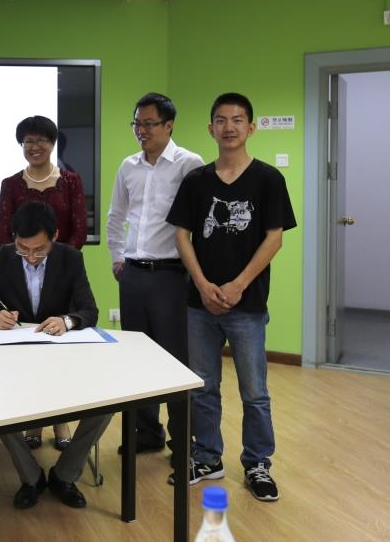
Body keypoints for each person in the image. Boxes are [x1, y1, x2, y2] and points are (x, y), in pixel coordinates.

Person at [166, 92, 296, 502]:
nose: (229, 127)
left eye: (238, 120)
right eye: (221, 120)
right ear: (211, 128)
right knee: (203, 387)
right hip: (199, 305)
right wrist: (203, 284)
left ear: (250, 128)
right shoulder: (196, 181)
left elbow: (274, 238)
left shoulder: (268, 179)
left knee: (254, 392)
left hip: (248, 305)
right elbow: (182, 235)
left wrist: (238, 284)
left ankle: (258, 463)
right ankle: (207, 457)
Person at [0, 201, 107, 510]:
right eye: (23, 249)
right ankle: (31, 477)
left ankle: (65, 475)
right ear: (14, 239)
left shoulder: (70, 258)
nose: (32, 257)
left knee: (106, 404)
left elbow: (89, 311)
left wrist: (66, 321)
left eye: (39, 249)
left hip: (62, 358)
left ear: (55, 236)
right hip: (12, 361)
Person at [106, 93, 203, 455]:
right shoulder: (128, 166)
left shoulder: (189, 164)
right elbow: (116, 215)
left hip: (171, 275)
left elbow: (199, 223)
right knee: (137, 357)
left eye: (148, 123)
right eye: (137, 123)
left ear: (168, 125)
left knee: (176, 359)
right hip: (132, 273)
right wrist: (117, 257)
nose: (141, 131)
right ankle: (146, 433)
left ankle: (182, 440)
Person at [0, 115, 87, 451]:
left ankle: (61, 420)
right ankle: (32, 421)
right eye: (28, 141)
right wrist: (25, 263)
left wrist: (57, 263)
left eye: (41, 140)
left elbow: (79, 229)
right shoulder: (11, 184)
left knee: (58, 358)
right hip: (22, 279)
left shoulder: (71, 181)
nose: (35, 147)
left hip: (61, 278)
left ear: (52, 143)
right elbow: (3, 233)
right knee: (26, 358)